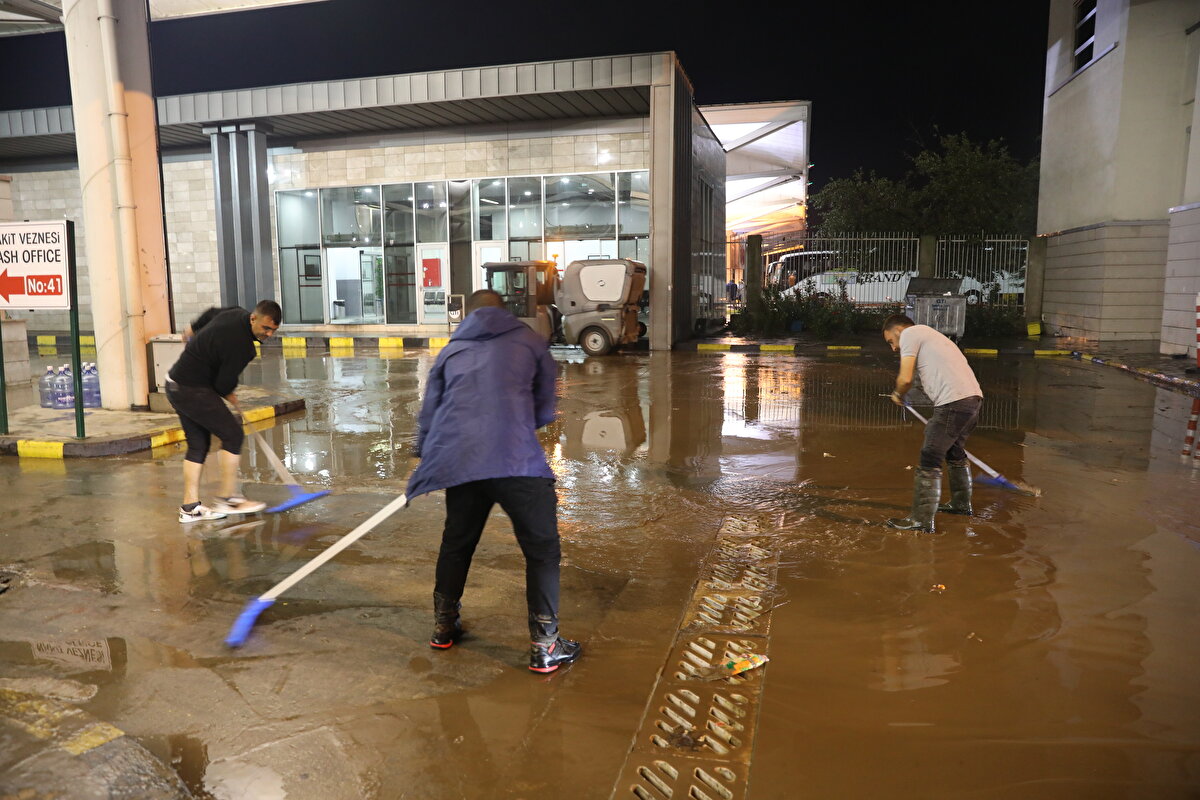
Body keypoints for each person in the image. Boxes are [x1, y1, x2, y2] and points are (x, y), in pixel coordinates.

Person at [406, 289, 580, 674]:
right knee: (542, 550)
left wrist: (433, 454)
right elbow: (544, 406)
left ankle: (443, 627)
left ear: (467, 314)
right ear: (505, 313)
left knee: (457, 543)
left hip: (463, 464)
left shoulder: (451, 350)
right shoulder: (531, 341)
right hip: (516, 461)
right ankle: (545, 645)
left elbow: (430, 414)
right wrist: (511, 425)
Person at [167, 301, 281, 523]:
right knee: (233, 435)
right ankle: (229, 499)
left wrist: (191, 328)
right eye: (266, 328)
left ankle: (189, 507)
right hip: (192, 388)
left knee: (199, 444)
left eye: (273, 331)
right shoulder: (242, 346)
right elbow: (222, 384)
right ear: (253, 319)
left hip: (174, 383)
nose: (268, 334)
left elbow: (210, 312)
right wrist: (229, 392)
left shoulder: (235, 312)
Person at [882, 314, 983, 533]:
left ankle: (920, 521)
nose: (893, 348)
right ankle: (960, 504)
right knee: (954, 452)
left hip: (954, 402)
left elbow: (905, 379)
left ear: (898, 330)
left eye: (891, 341)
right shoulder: (931, 335)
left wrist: (898, 393)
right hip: (972, 399)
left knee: (930, 455)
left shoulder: (909, 334)